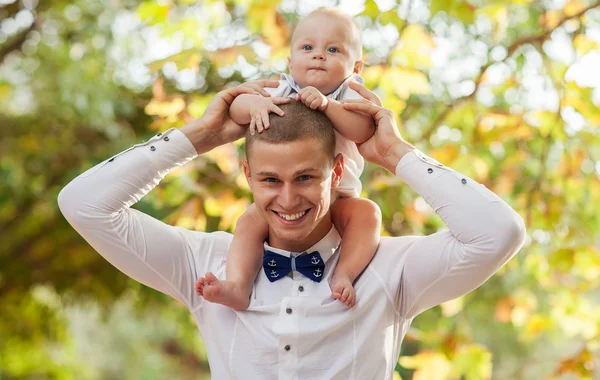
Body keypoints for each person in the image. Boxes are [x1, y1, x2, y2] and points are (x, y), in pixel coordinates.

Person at [58, 80, 526, 379]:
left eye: (305, 178)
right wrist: (197, 137)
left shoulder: (390, 268)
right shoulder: (207, 267)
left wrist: (394, 153)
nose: (286, 200)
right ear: (247, 175)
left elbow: (499, 232)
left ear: (337, 169)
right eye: (269, 180)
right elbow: (83, 205)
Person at [198, 7, 380, 311]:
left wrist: (327, 105)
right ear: (290, 60)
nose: (319, 55)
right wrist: (254, 104)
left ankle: (345, 274)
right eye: (308, 47)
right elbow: (235, 107)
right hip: (299, 188)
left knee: (368, 215)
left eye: (333, 49)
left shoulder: (350, 94)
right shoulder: (284, 87)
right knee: (248, 222)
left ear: (356, 66)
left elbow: (364, 129)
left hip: (340, 195)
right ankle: (238, 285)